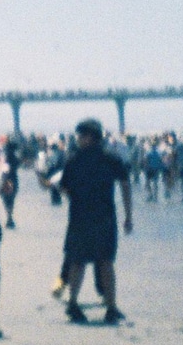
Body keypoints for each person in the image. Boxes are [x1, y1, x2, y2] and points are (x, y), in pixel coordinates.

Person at [43, 118, 133, 325]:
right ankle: (111, 307)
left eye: (81, 135)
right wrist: (128, 216)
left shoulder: (74, 159)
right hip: (105, 216)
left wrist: (75, 195)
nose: (78, 139)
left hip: (80, 217)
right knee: (106, 262)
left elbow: (64, 188)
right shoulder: (111, 158)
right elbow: (125, 185)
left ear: (90, 136)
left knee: (78, 261)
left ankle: (73, 304)